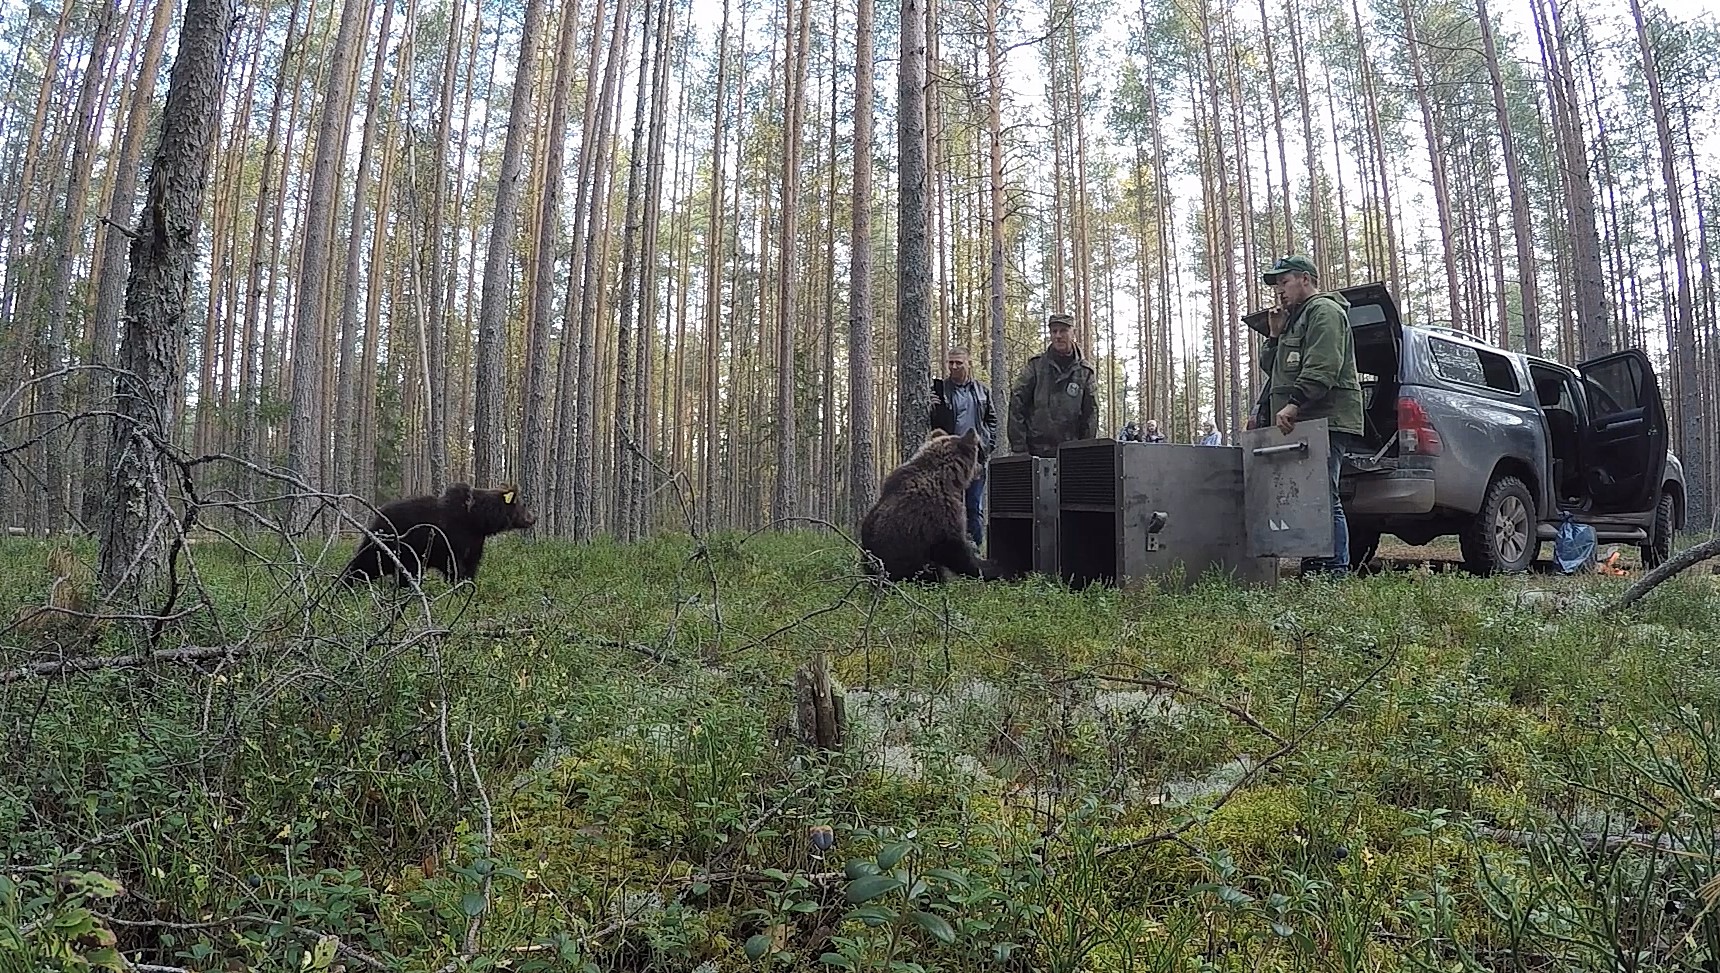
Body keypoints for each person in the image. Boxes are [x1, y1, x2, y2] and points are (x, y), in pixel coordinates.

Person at [1254, 254, 1364, 576]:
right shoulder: (1294, 319)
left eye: (1284, 282)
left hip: (1326, 417)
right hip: (1305, 421)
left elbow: (1324, 365)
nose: (1279, 291)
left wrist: (1294, 402)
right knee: (1308, 494)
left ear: (1305, 278)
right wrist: (1274, 335)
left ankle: (1333, 568)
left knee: (1324, 494)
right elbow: (1273, 371)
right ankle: (1315, 562)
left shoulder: (1324, 311)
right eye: (1276, 285)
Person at [930, 348, 998, 547]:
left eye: (958, 362)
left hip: (975, 457)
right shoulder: (942, 390)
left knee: (973, 505)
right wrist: (933, 409)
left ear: (968, 363)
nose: (954, 367)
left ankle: (975, 549)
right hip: (949, 459)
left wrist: (987, 444)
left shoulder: (982, 391)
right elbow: (936, 426)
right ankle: (952, 550)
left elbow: (991, 420)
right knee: (950, 506)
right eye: (950, 363)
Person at [1008, 313, 1098, 458]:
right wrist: (1019, 448)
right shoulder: (1036, 367)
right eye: (1054, 331)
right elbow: (1017, 404)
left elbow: (1090, 415)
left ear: (1072, 333)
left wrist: (1085, 449)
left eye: (1063, 331)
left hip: (1070, 451)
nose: (1058, 336)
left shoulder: (1084, 372)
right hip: (1036, 450)